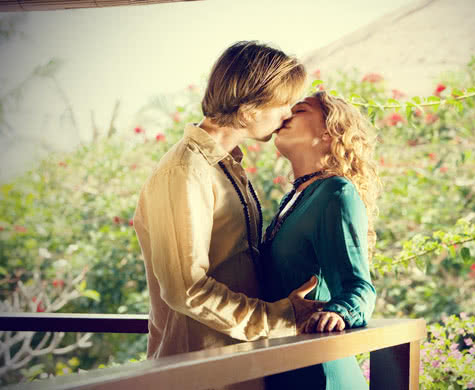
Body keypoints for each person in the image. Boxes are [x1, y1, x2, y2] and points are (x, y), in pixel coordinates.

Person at [133, 41, 323, 390]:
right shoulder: (184, 172)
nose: (288, 114)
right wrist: (281, 317)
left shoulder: (223, 165)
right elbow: (185, 290)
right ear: (250, 109)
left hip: (237, 365)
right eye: (283, 104)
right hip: (198, 372)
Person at [260, 91, 379, 390]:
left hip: (321, 374)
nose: (285, 114)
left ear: (328, 132)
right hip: (283, 368)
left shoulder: (337, 192)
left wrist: (337, 312)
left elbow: (359, 288)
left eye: (299, 109)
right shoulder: (294, 199)